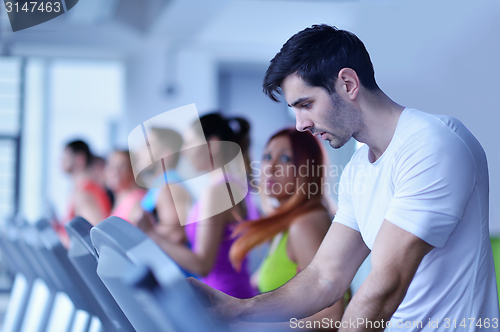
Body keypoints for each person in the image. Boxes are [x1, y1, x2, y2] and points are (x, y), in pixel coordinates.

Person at [188, 25, 500, 331]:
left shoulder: (430, 145)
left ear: (348, 84)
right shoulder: (357, 169)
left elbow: (385, 287)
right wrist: (238, 309)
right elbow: (324, 277)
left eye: (306, 105)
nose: (300, 125)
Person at [229, 128, 344, 330]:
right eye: (266, 156)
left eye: (285, 158)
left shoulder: (305, 223)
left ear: (307, 168)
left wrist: (254, 325)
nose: (270, 168)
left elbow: (332, 316)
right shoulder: (288, 221)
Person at [139, 113, 258, 299]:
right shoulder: (230, 185)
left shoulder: (219, 191)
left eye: (189, 143)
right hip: (228, 294)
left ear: (213, 145)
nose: (184, 151)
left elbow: (201, 265)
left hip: (225, 299)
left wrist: (151, 233)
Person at [131, 127, 192, 244]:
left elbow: (176, 234)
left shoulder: (169, 187)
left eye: (147, 146)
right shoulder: (161, 185)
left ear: (166, 154)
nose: (139, 152)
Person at [57, 140, 112, 245]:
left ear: (79, 159)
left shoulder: (86, 192)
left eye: (65, 157)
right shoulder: (79, 189)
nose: (61, 161)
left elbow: (94, 239)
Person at [105, 150, 146, 223]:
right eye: (111, 165)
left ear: (133, 171)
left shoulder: (136, 201)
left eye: (122, 166)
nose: (114, 171)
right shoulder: (121, 197)